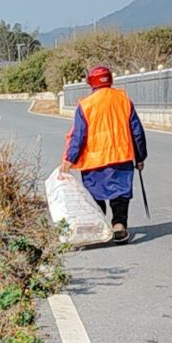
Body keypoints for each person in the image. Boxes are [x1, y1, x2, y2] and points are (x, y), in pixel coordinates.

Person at [61, 65, 148, 244]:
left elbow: (79, 135)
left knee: (95, 197)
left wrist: (69, 159)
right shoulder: (124, 100)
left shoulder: (85, 105)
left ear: (91, 82)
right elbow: (137, 131)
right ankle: (119, 226)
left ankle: (96, 230)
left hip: (94, 162)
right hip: (121, 157)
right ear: (110, 79)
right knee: (120, 194)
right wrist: (140, 157)